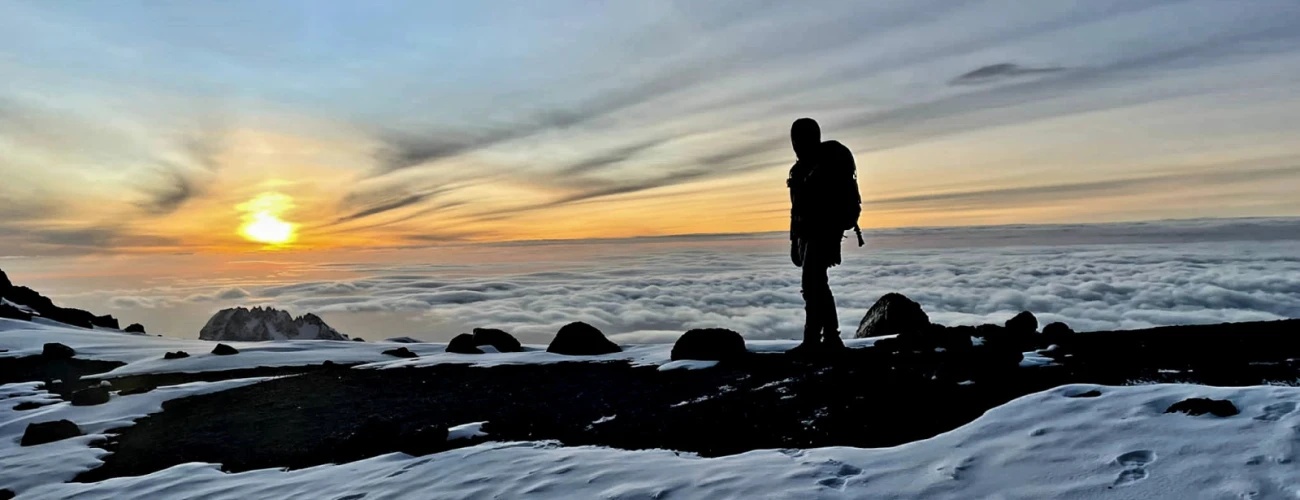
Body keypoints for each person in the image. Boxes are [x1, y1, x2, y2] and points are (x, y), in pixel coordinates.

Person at [786, 118, 862, 355]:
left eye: (800, 138)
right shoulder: (801, 169)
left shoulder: (826, 164)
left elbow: (823, 205)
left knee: (813, 284)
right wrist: (794, 242)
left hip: (823, 232)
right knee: (815, 285)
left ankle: (819, 339)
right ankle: (827, 338)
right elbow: (796, 209)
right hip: (808, 234)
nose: (796, 144)